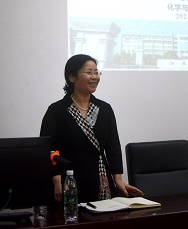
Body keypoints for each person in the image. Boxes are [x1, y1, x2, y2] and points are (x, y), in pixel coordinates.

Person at [40, 54, 143, 204]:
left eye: (96, 72)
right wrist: (56, 180)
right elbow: (48, 150)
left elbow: (113, 146)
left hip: (100, 179)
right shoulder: (57, 111)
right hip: (68, 181)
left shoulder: (104, 109)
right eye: (89, 72)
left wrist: (118, 179)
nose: (95, 77)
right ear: (72, 77)